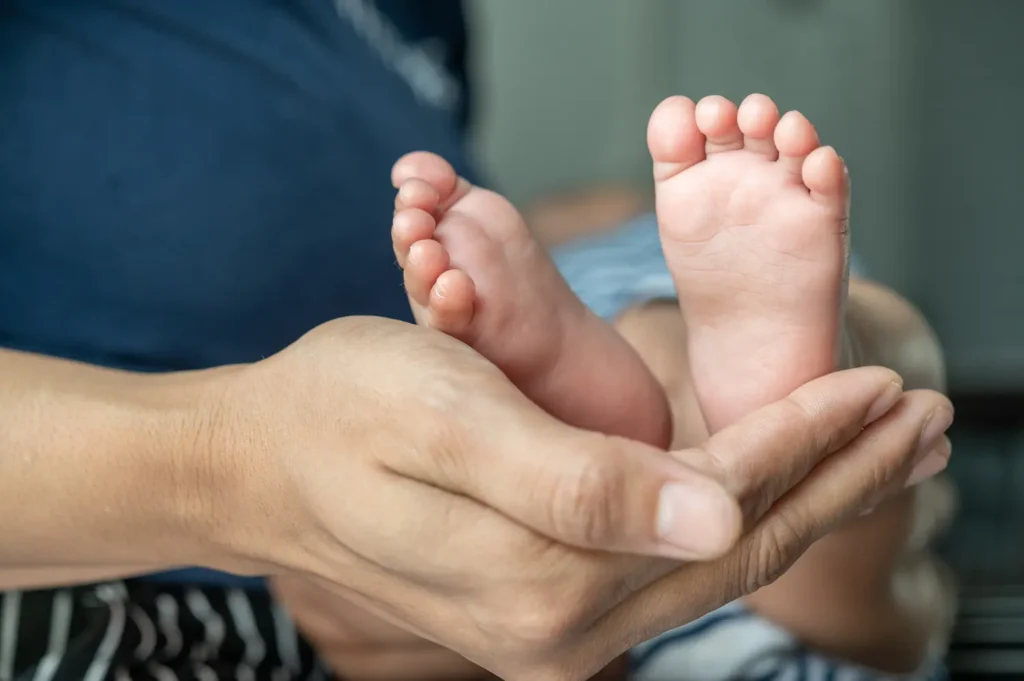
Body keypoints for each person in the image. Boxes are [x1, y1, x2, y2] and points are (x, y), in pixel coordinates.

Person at [0, 1, 952, 679]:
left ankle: (668, 397)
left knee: (806, 512)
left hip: (507, 529)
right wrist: (237, 474)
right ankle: (707, 399)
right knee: (792, 514)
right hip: (302, 577)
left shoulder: (420, 18)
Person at [349, 92, 954, 681]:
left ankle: (603, 412)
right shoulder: (751, 214)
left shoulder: (600, 247)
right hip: (804, 627)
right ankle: (767, 409)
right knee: (884, 396)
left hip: (572, 599)